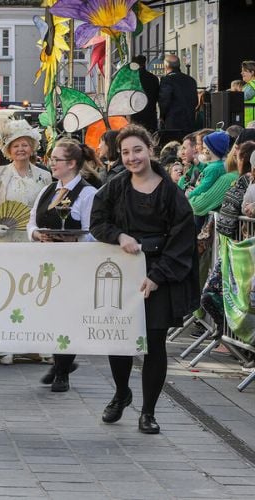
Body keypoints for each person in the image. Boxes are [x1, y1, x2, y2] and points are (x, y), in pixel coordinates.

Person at [90, 124, 199, 434]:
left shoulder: (171, 193)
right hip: (123, 270)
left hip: (160, 272)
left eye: (137, 150)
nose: (132, 157)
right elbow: (97, 221)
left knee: (154, 343)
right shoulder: (115, 187)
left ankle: (148, 411)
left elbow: (182, 238)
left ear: (150, 150)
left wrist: (157, 276)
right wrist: (119, 235)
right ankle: (121, 393)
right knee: (119, 338)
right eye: (125, 152)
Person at [28, 138, 99, 391]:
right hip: (47, 262)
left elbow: (93, 231)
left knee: (67, 316)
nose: (52, 163)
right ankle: (61, 363)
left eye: (57, 159)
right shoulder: (48, 190)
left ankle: (61, 371)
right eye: (52, 159)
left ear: (71, 164)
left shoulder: (88, 193)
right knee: (48, 314)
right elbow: (32, 221)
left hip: (73, 264)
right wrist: (37, 234)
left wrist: (71, 238)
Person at [200, 141, 255, 335]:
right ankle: (228, 334)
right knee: (211, 296)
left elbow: (200, 204)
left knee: (228, 299)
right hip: (234, 249)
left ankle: (235, 338)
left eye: (238, 154)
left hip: (240, 252)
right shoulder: (240, 180)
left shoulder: (238, 180)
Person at [0, 118, 52, 243]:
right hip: (3, 242)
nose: (20, 149)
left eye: (25, 145)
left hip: (32, 242)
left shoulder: (45, 176)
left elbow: (48, 212)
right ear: (9, 150)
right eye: (15, 146)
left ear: (31, 148)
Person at [158, 54, 199, 144]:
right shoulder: (191, 80)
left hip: (173, 124)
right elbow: (195, 101)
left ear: (166, 66)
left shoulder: (167, 80)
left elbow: (164, 100)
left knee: (173, 147)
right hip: (189, 123)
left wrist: (162, 116)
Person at [131, 55, 160, 133]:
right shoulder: (153, 78)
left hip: (135, 115)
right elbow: (157, 97)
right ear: (144, 63)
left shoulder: (131, 79)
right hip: (150, 115)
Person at [241, 61, 255, 125]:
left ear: (252, 72)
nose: (242, 73)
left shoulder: (252, 85)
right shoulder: (248, 85)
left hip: (250, 123)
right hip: (249, 122)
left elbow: (241, 98)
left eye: (244, 71)